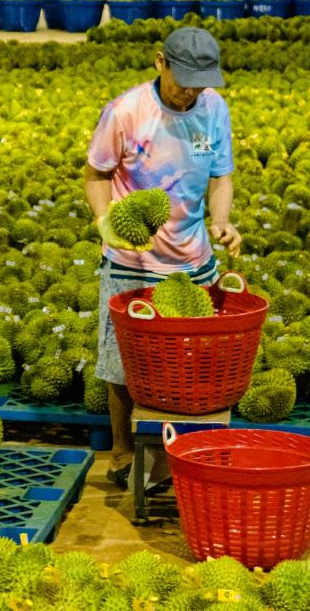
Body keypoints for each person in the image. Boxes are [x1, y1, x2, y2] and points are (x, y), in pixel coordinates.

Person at [84, 27, 241, 491]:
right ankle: (121, 451)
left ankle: (182, 450)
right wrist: (103, 223)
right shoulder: (126, 112)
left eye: (201, 80)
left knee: (190, 362)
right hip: (132, 259)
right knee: (119, 363)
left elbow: (221, 176)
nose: (191, 89)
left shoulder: (213, 107)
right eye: (183, 79)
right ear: (160, 62)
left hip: (195, 258)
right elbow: (95, 174)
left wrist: (222, 220)